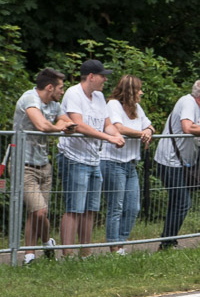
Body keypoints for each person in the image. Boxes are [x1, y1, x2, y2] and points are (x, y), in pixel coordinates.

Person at [59, 59, 125, 257]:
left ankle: (85, 253)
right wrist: (108, 138)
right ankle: (67, 254)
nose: (105, 79)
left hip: (93, 159)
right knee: (74, 208)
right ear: (91, 77)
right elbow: (78, 125)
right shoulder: (73, 94)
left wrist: (116, 134)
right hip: (74, 157)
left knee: (90, 208)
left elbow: (107, 124)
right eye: (102, 75)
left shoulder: (99, 96)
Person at [11, 68, 75, 264]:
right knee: (40, 211)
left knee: (36, 213)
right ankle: (47, 241)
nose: (62, 92)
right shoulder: (30, 99)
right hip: (24, 164)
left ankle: (29, 255)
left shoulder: (53, 105)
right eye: (60, 88)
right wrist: (60, 128)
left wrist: (67, 124)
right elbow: (42, 125)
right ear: (49, 87)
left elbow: (66, 119)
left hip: (43, 165)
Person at [156, 80, 200, 249]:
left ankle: (168, 241)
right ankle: (167, 242)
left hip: (184, 163)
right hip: (170, 161)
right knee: (182, 202)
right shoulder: (187, 102)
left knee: (178, 202)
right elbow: (187, 127)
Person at [100, 74, 153, 254]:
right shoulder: (113, 105)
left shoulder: (137, 108)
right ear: (130, 91)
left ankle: (121, 243)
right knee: (116, 206)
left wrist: (147, 131)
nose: (141, 92)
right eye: (139, 89)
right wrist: (141, 134)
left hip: (130, 163)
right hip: (113, 162)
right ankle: (114, 247)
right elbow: (118, 128)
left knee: (133, 207)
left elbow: (150, 126)